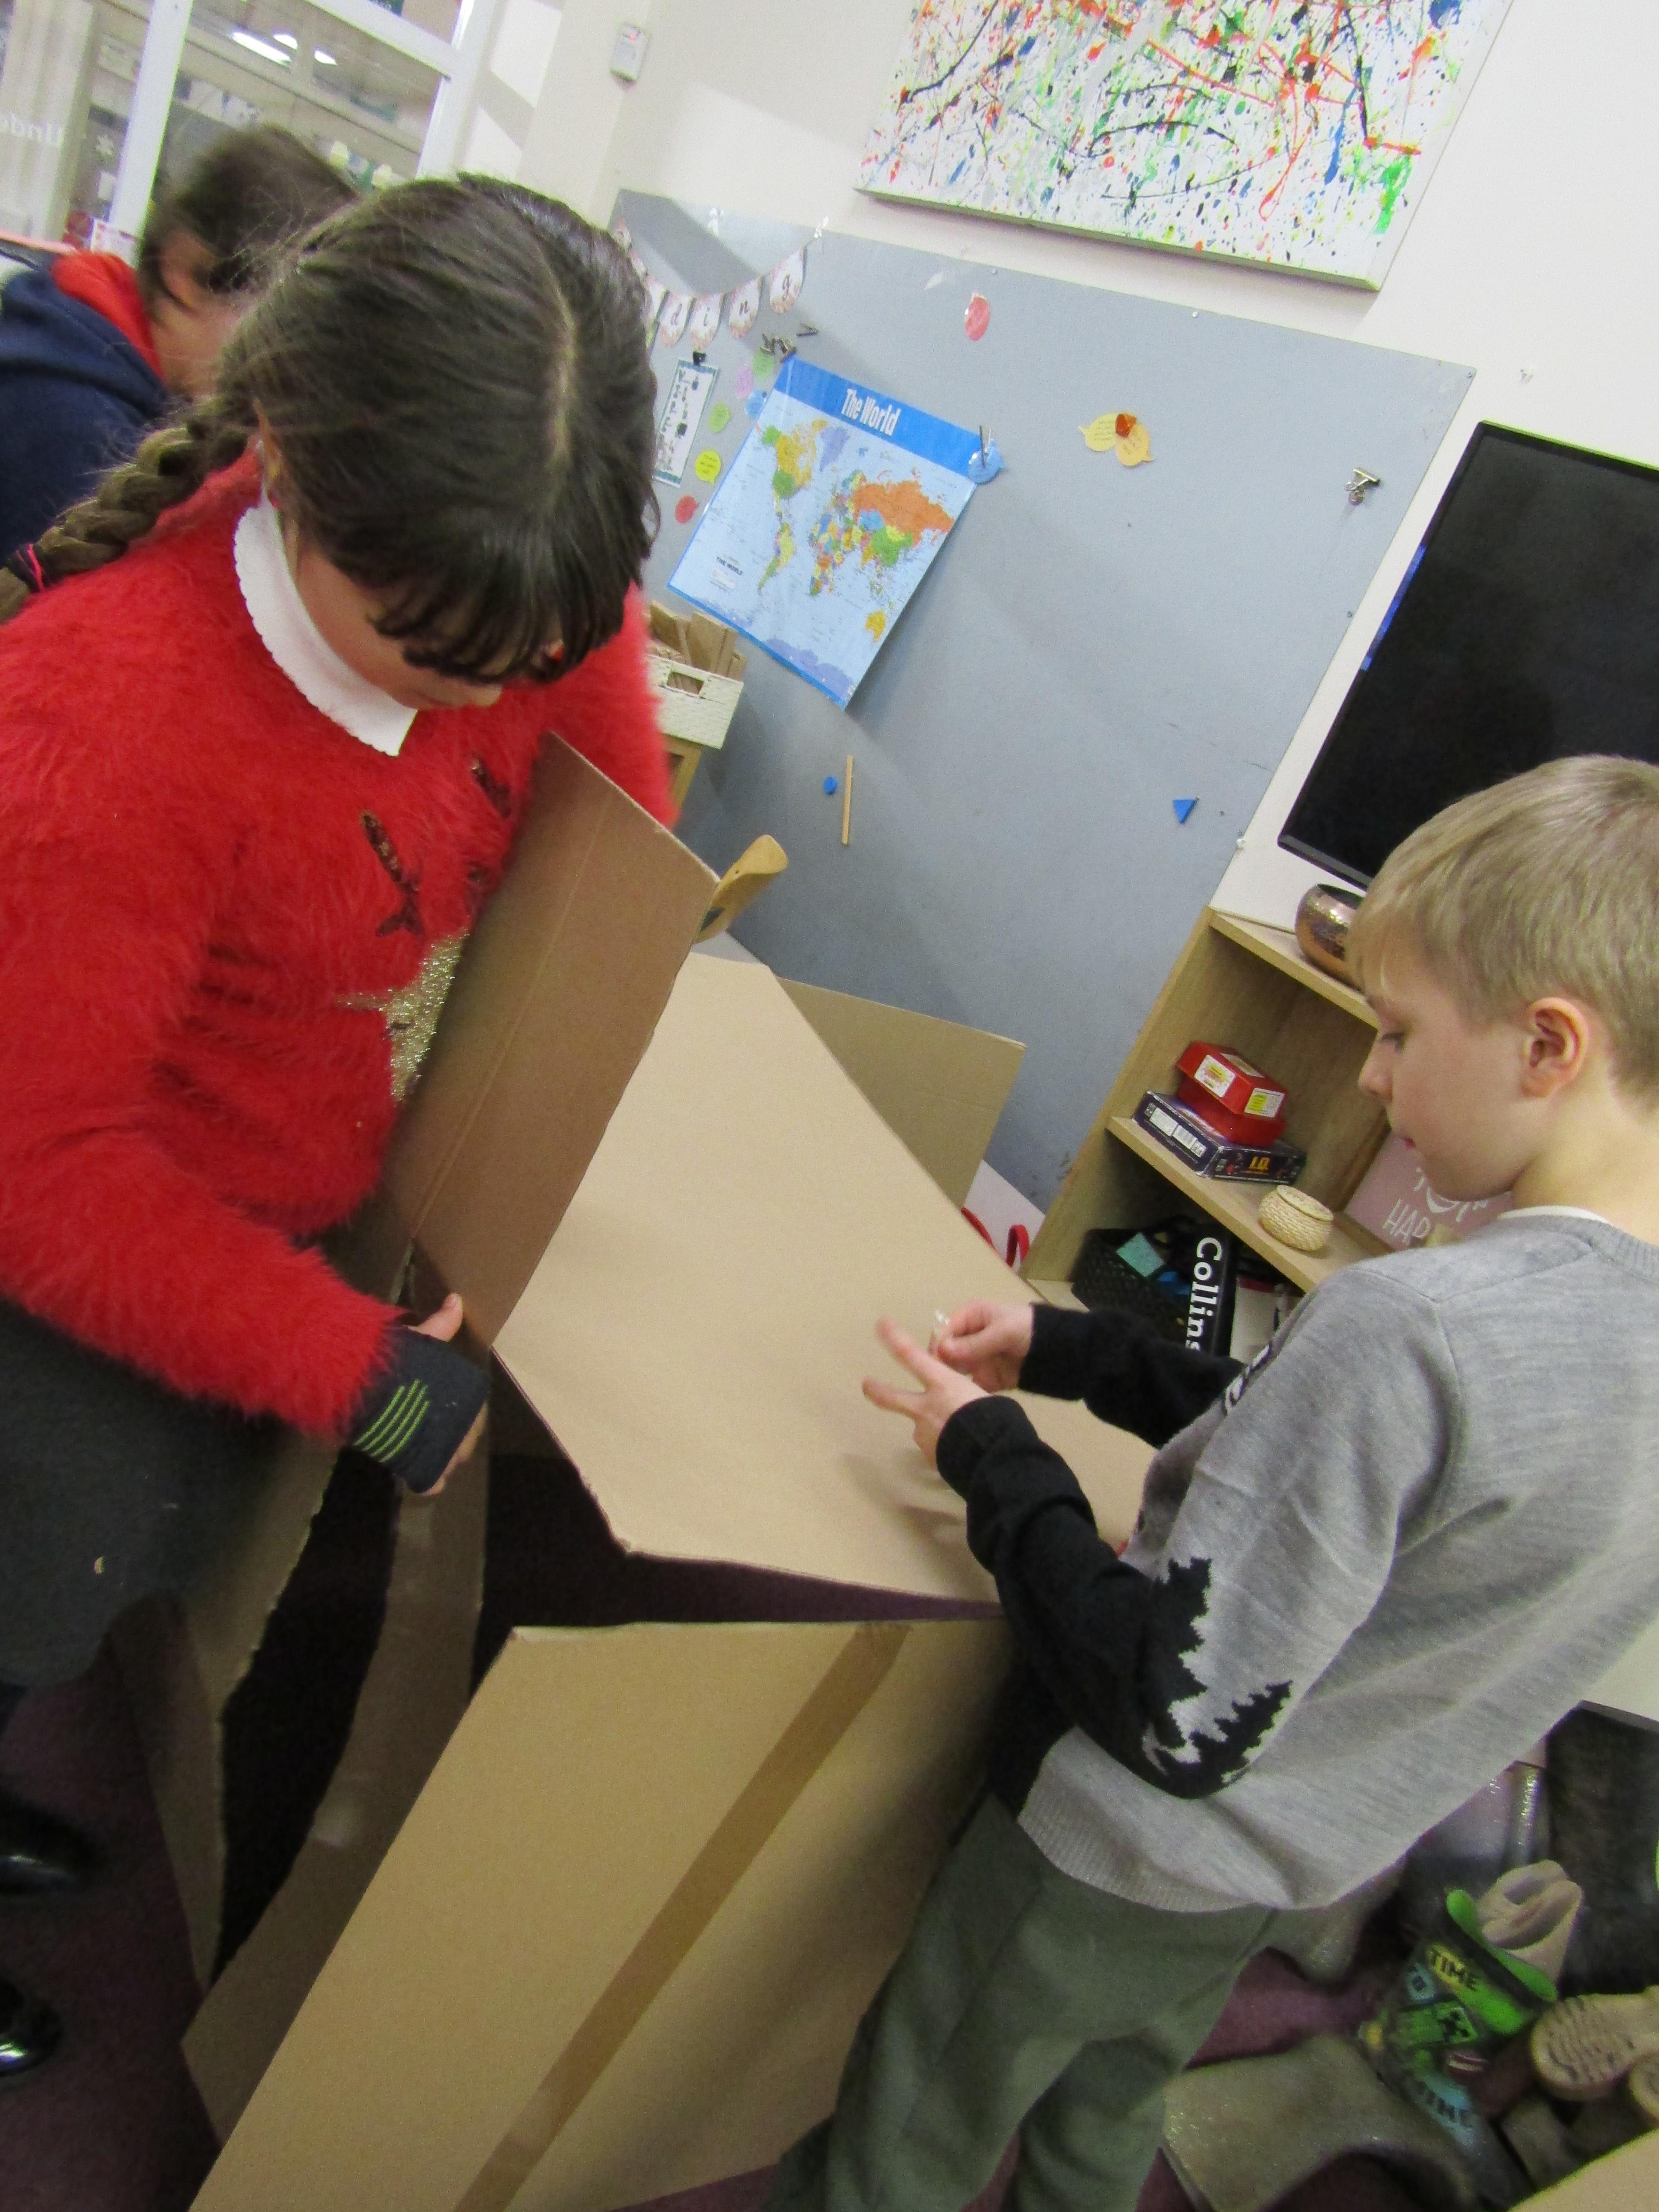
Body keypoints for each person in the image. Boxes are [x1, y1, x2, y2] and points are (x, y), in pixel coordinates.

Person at [772, 754, 1659, 2212]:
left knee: (906, 2140)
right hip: (1275, 1871)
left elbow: (1170, 1714)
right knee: (1101, 2121)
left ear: (1548, 1046)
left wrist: (989, 1453)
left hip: (1106, 1857)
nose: (1370, 1076)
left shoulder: (1415, 1328)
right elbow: (1307, 1445)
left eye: (1397, 1032)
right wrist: (1067, 1349)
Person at [0, 175, 673, 2079]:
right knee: (24, 1589)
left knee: (91, 1590)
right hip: (77, 1261)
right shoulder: (97, 723)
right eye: (435, 651)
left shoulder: (510, 571)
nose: (491, 691)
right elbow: (39, 1175)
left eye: (529, 648)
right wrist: (356, 1372)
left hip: (246, 1233)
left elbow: (604, 849)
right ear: (289, 465)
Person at [0, 124, 354, 561]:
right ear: (185, 269)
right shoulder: (75, 429)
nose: (292, 376)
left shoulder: (76, 347)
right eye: (283, 329)